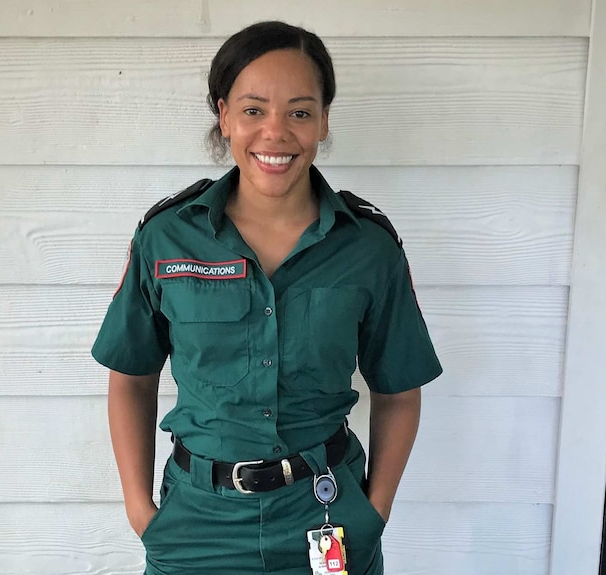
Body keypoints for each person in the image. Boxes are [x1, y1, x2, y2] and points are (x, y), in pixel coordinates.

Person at [91, 21, 442, 575]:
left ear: (324, 121)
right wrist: (141, 510)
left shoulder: (369, 249)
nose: (275, 132)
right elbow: (131, 376)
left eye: (300, 112)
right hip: (195, 521)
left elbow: (399, 390)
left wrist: (375, 509)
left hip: (327, 513)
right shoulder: (166, 238)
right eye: (254, 110)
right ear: (224, 114)